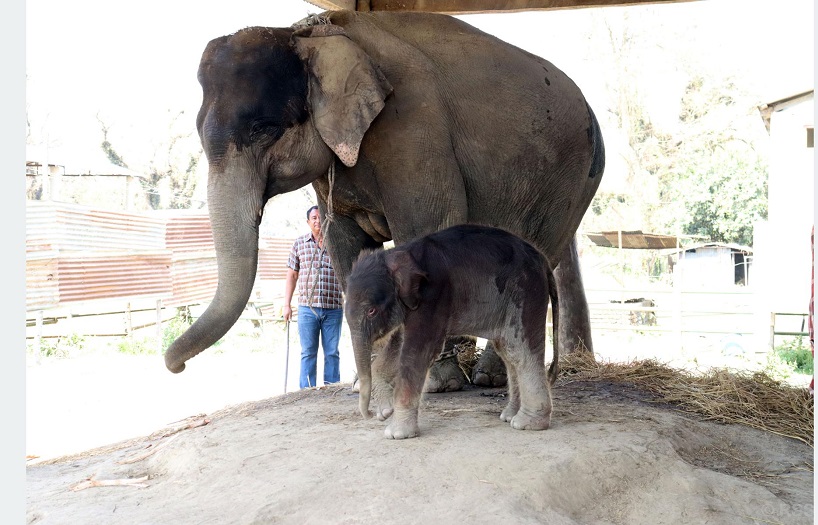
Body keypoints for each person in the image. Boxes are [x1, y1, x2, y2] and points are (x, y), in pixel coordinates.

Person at [283, 205, 344, 389]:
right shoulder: (299, 243)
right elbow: (292, 275)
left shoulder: (337, 244)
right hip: (307, 309)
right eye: (314, 218)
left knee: (332, 352)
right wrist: (286, 304)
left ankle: (332, 389)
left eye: (321, 217)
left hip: (333, 308)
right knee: (308, 352)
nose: (318, 221)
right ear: (308, 222)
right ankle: (307, 391)